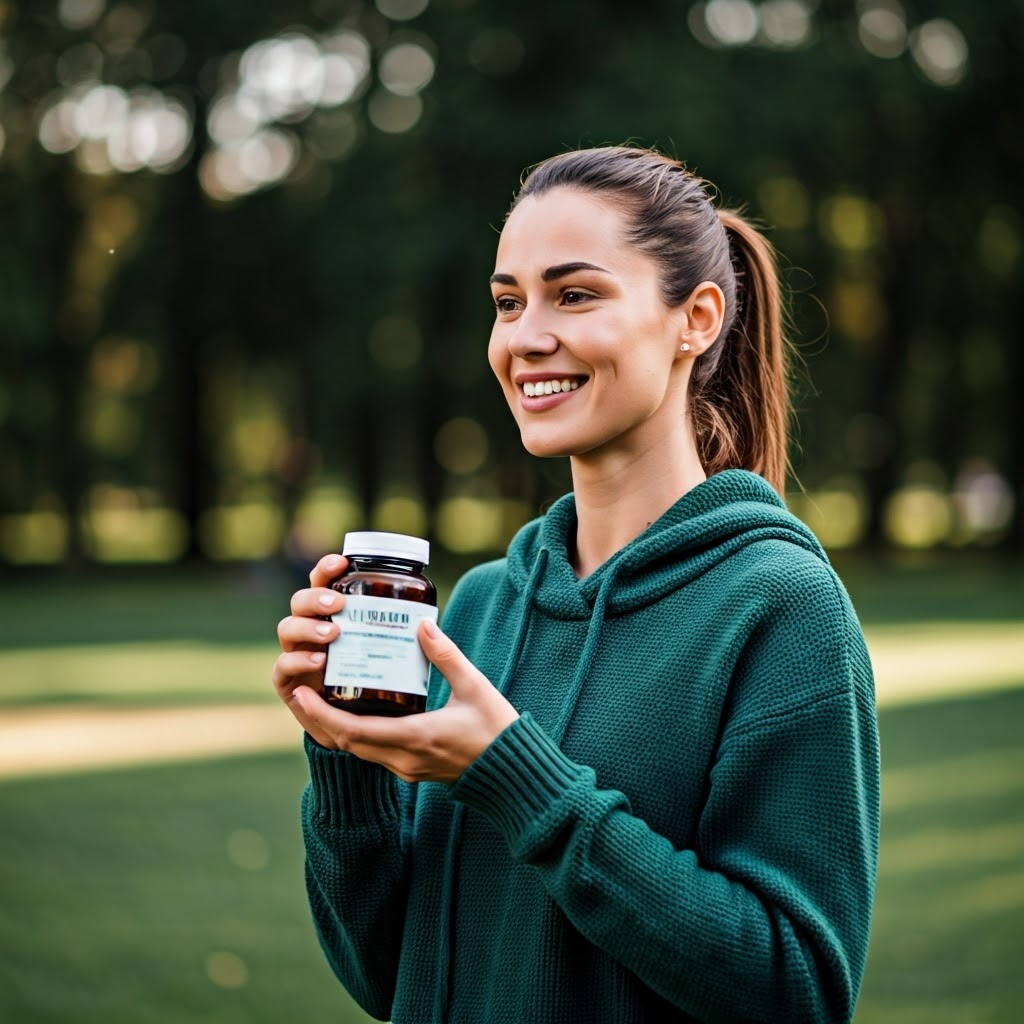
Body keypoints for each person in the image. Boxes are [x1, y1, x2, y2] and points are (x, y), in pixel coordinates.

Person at [272, 145, 880, 1024]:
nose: (524, 337)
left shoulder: (783, 610)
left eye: (576, 294)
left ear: (695, 319)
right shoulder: (476, 608)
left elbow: (798, 995)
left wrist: (517, 777)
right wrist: (345, 760)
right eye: (509, 302)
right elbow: (388, 976)